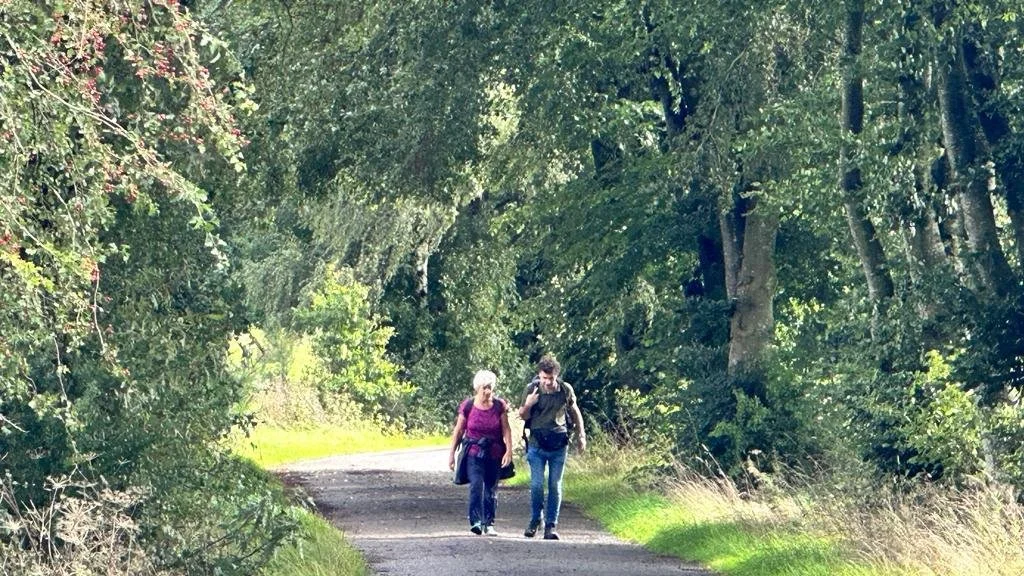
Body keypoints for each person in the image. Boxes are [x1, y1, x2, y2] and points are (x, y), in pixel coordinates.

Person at [518, 354, 586, 540]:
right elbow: (523, 416)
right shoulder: (531, 389)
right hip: (536, 444)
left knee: (555, 486)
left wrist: (581, 435)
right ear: (539, 375)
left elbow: (575, 411)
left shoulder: (565, 389)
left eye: (551, 378)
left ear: (557, 375)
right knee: (537, 484)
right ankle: (535, 520)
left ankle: (551, 525)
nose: (548, 382)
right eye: (544, 378)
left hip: (558, 444)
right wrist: (529, 404)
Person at [448, 369, 513, 536]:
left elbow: (506, 429)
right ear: (477, 388)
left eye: (490, 387)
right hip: (474, 452)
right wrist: (451, 454)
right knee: (476, 485)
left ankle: (489, 523)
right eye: (484, 387)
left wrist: (509, 451)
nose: (488, 391)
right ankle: (475, 521)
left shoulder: (499, 406)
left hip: (494, 453)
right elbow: (459, 430)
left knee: (491, 489)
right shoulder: (468, 406)